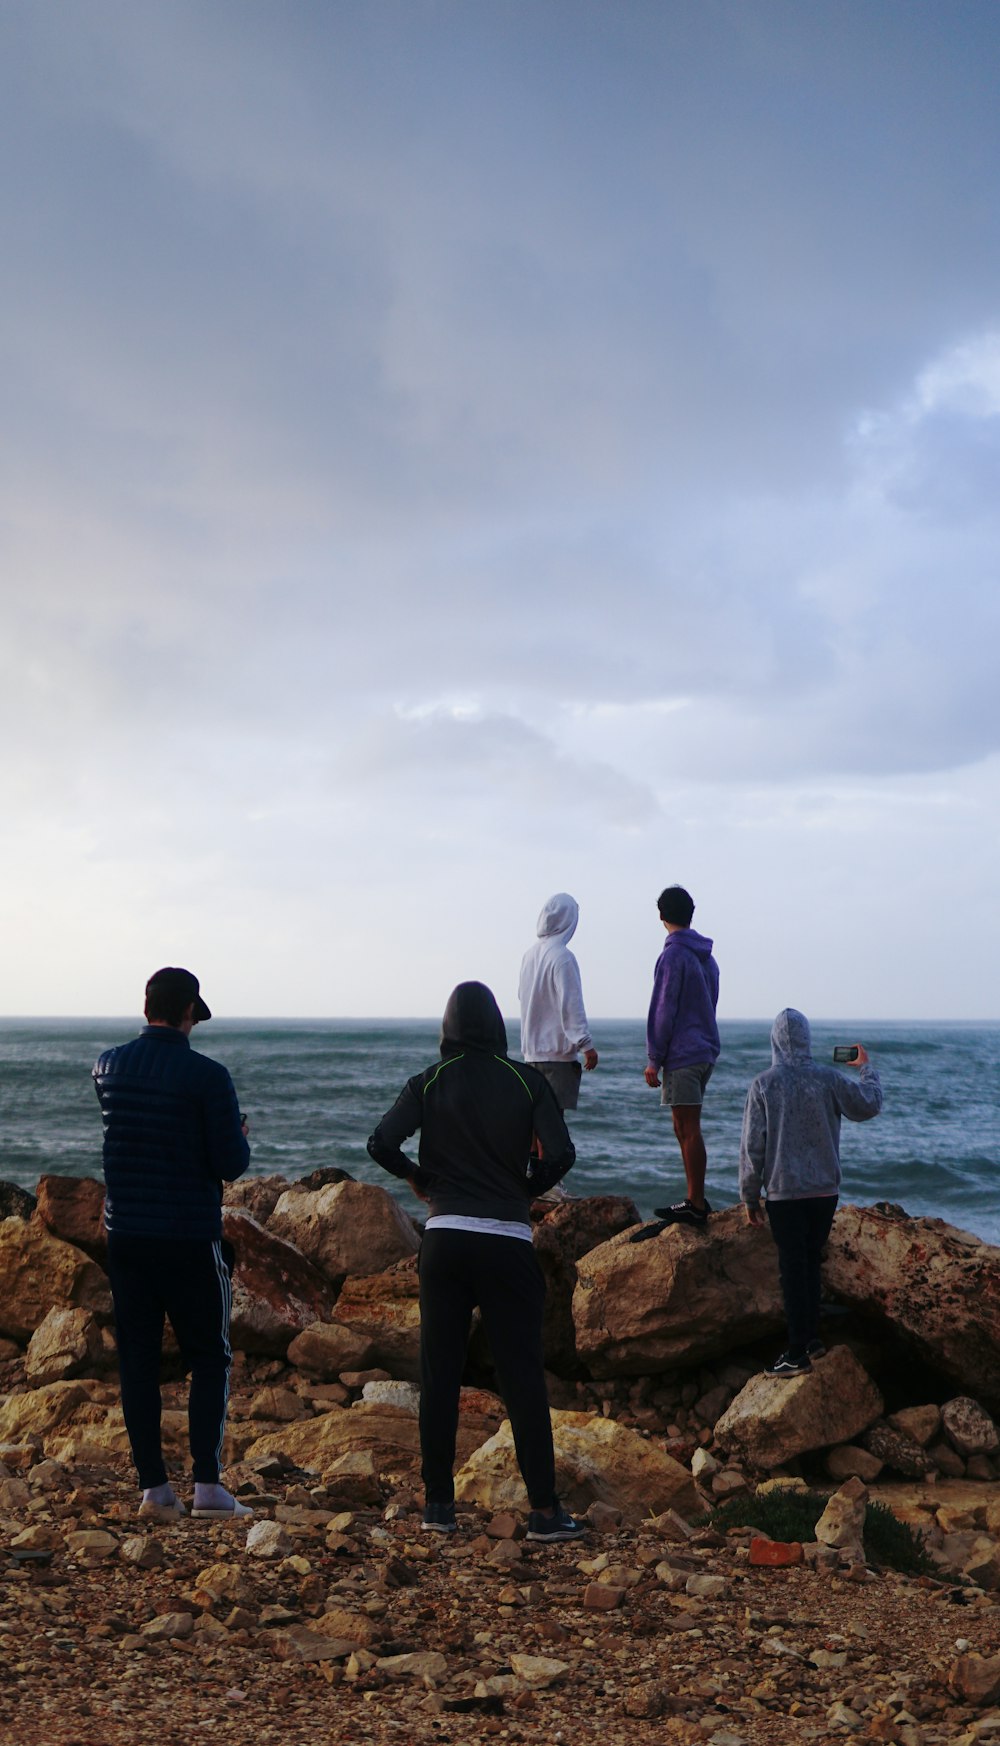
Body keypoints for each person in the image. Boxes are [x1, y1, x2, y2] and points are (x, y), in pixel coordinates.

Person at [367, 980, 585, 1542]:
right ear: (496, 1027)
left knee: (439, 1374)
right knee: (522, 1378)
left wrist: (418, 1179)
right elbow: (561, 1152)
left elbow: (380, 1143)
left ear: (447, 1028)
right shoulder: (526, 1080)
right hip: (507, 1241)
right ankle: (544, 1512)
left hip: (444, 1240)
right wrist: (526, 1187)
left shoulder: (430, 1080)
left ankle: (439, 1506)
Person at [93, 967, 252, 1520]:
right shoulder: (208, 1076)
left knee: (137, 1360)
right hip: (188, 1237)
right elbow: (229, 1163)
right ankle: (208, 1489)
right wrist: (239, 1135)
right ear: (189, 1014)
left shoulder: (107, 1067)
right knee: (210, 1355)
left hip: (127, 1237)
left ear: (146, 1010)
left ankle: (155, 1492)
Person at [740, 1008, 883, 1375]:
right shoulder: (828, 1079)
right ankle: (812, 1339)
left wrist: (749, 1195)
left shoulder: (764, 1084)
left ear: (774, 1041)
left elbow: (753, 1146)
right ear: (807, 1039)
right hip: (824, 1192)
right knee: (810, 1259)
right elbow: (869, 1105)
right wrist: (865, 1067)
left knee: (793, 1267)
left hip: (785, 1194)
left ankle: (796, 1352)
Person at [642, 884, 720, 1228]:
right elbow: (711, 1000)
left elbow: (664, 1008)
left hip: (683, 1054)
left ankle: (696, 1203)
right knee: (685, 1126)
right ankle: (695, 1199)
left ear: (662, 917)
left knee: (687, 1128)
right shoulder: (707, 956)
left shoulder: (673, 955)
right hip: (704, 1049)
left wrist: (654, 1058)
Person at [518, 892, 598, 1112]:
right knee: (551, 1123)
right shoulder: (562, 957)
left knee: (534, 1121)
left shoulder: (529, 956)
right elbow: (571, 1003)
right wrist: (586, 1044)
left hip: (531, 1053)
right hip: (557, 1056)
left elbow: (523, 997)